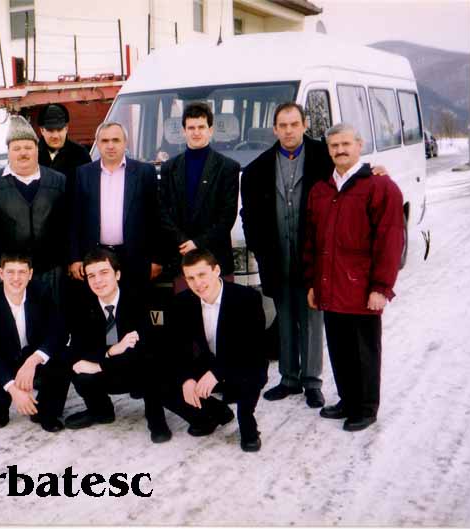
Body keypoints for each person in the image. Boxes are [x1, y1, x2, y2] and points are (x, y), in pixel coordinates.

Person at [303, 123, 404, 432]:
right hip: (329, 286)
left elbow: (390, 241)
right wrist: (312, 283)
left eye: (346, 144)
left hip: (361, 289)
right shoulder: (321, 190)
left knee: (364, 351)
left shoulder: (380, 187)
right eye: (334, 145)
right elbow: (311, 242)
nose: (340, 150)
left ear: (360, 145)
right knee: (339, 349)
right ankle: (347, 400)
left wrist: (381, 288)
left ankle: (366, 408)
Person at [240, 102, 333, 409]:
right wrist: (259, 248)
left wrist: (374, 171)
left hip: (313, 256)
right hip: (277, 256)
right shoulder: (257, 169)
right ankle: (289, 378)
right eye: (283, 125)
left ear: (305, 125)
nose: (289, 130)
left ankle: (312, 382)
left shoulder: (325, 158)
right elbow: (248, 216)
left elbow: (351, 174)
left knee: (312, 318)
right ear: (275, 129)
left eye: (294, 124)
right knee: (285, 317)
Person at [65, 248, 192, 443]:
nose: (98, 281)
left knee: (152, 363)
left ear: (117, 274)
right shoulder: (80, 305)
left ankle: (156, 419)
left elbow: (151, 348)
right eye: (91, 276)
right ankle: (101, 411)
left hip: (137, 370)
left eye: (104, 272)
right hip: (107, 369)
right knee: (79, 371)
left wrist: (100, 364)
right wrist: (112, 350)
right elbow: (78, 349)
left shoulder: (141, 299)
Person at [169, 249, 268, 452]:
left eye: (202, 274)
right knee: (164, 377)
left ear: (216, 270)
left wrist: (217, 372)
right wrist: (187, 379)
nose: (197, 283)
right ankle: (214, 413)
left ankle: (246, 421)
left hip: (241, 362)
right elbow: (178, 348)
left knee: (251, 370)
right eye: (191, 278)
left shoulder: (247, 298)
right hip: (208, 360)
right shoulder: (181, 302)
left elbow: (253, 349)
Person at [0, 116, 68, 309]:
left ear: (37, 149)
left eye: (28, 147)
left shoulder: (58, 182)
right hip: (9, 272)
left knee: (52, 318)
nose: (23, 153)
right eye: (17, 148)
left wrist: (72, 260)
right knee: (12, 319)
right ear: (8, 151)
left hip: (50, 271)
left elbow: (69, 224)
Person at [0, 253, 71, 431]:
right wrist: (13, 388)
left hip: (32, 355)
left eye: (22, 272)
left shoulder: (42, 292)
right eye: (10, 272)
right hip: (3, 359)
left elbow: (59, 332)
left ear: (30, 274)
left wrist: (33, 361)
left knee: (63, 356)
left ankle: (45, 411)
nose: (16, 278)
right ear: (1, 273)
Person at [69, 122, 163, 296]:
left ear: (125, 143)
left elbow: (155, 217)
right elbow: (75, 219)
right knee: (98, 308)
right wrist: (75, 258)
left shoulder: (144, 172)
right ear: (97, 144)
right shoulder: (83, 174)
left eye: (116, 140)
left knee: (134, 307)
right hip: (96, 257)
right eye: (105, 141)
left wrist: (157, 259)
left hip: (135, 258)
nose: (110, 146)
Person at [159, 102, 240, 292]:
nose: (196, 132)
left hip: (216, 260)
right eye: (191, 128)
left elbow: (227, 217)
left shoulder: (227, 168)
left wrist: (197, 243)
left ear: (211, 130)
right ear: (184, 131)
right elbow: (163, 212)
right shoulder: (169, 168)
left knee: (220, 311)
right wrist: (183, 241)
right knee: (186, 311)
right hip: (182, 260)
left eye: (201, 127)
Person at [36, 103, 91, 198]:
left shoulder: (80, 154)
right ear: (42, 130)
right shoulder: (32, 155)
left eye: (59, 130)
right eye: (50, 131)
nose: (55, 136)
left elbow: (89, 189)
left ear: (66, 128)